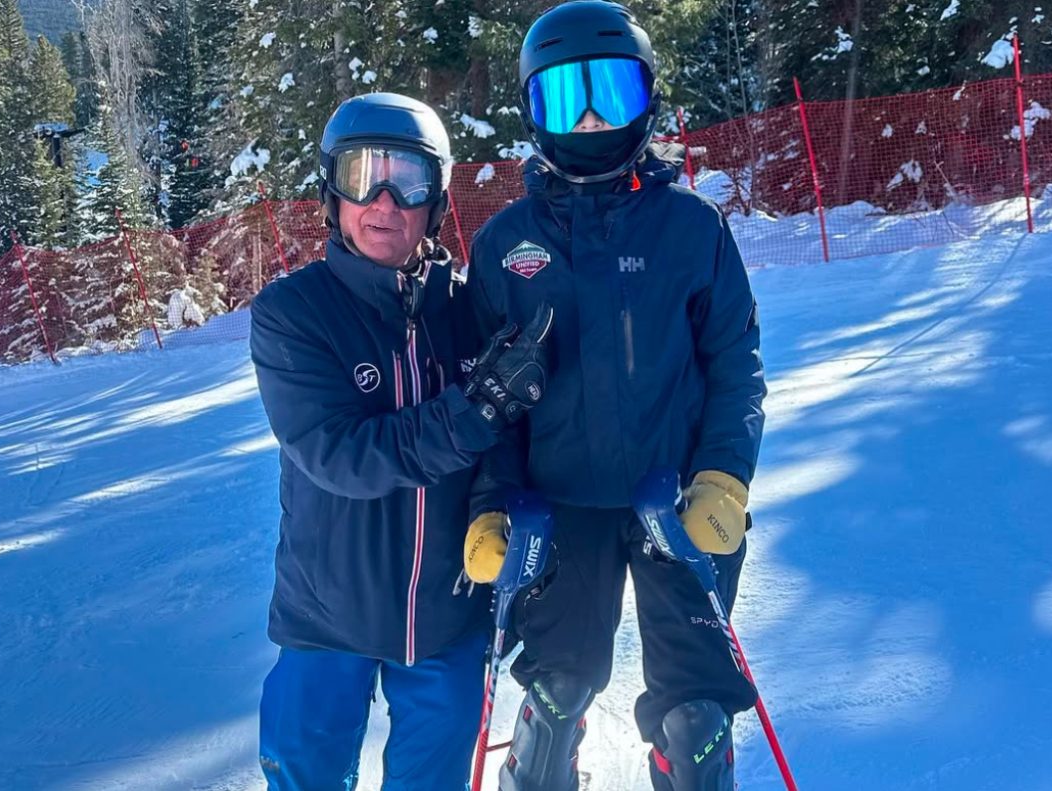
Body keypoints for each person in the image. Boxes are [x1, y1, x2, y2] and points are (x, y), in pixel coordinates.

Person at [459, 3, 767, 790]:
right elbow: (487, 400)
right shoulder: (504, 246)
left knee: (695, 713)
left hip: (676, 503)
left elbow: (735, 362)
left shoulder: (691, 229)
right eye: (568, 98)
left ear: (648, 99)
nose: (592, 118)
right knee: (556, 694)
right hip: (558, 509)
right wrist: (493, 501)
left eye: (612, 94)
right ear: (535, 112)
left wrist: (725, 477)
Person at [249, 92, 552, 791]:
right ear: (333, 191)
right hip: (327, 617)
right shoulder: (294, 315)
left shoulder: (468, 307)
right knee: (305, 775)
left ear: (436, 199)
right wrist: (471, 411)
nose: (383, 201)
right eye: (363, 176)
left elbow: (505, 438)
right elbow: (340, 454)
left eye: (407, 180)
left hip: (444, 616)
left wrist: (492, 503)